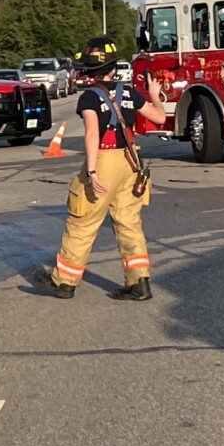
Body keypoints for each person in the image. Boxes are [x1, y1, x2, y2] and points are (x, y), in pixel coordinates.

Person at [38, 37, 172, 301]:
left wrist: (92, 171)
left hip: (104, 160)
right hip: (130, 162)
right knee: (129, 222)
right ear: (113, 67)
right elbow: (159, 117)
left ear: (89, 70)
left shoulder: (89, 97)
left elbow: (92, 135)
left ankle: (64, 282)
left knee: (83, 222)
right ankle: (139, 282)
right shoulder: (129, 93)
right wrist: (155, 96)